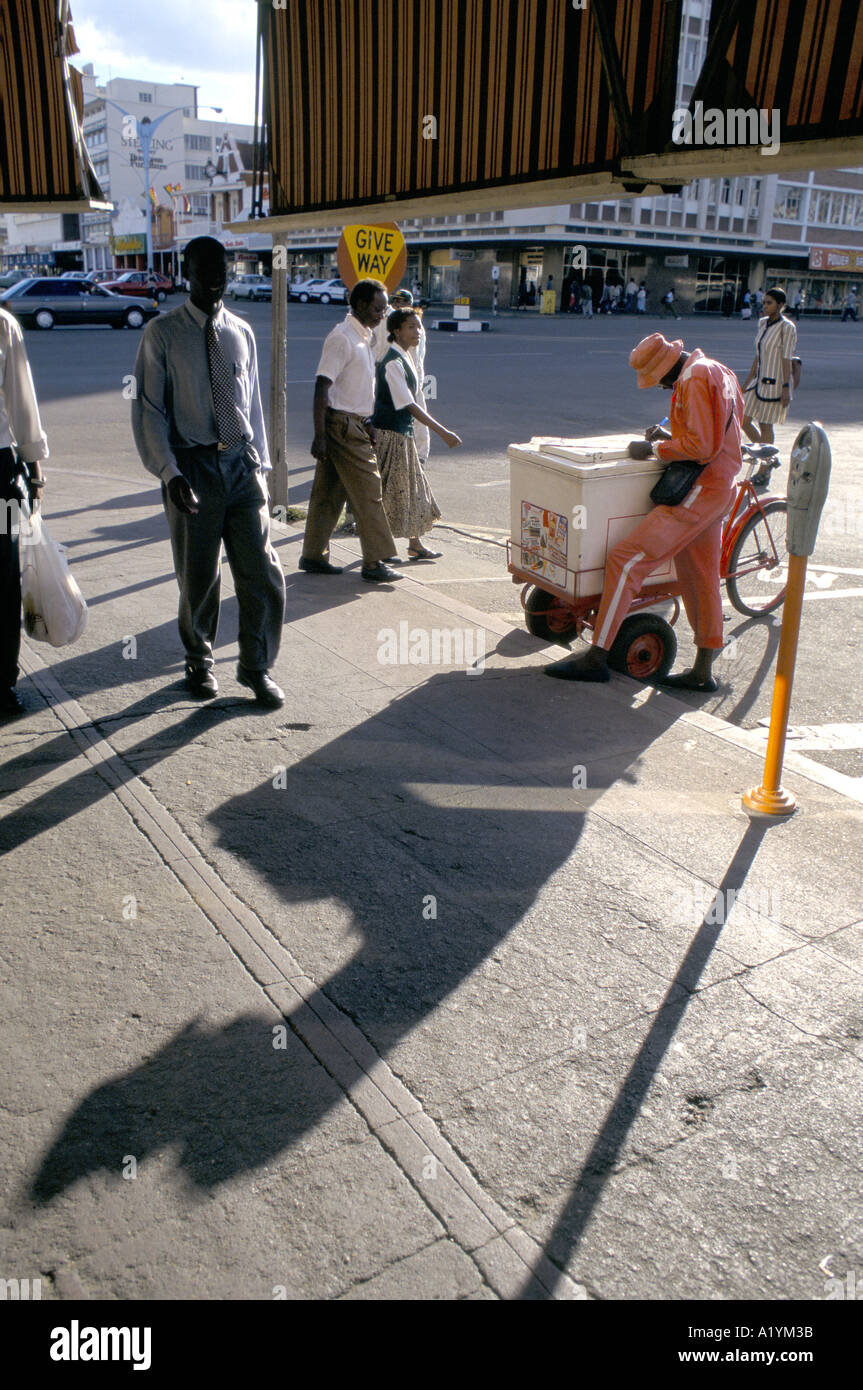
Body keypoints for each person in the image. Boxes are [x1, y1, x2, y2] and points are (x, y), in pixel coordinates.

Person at [131, 237, 285, 706]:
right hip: (192, 467)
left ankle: (256, 667)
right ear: (187, 273)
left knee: (260, 572)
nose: (216, 278)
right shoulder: (163, 333)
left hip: (240, 465)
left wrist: (261, 465)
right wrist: (170, 473)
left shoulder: (241, 331)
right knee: (199, 576)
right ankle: (199, 661)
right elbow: (150, 411)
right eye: (205, 270)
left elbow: (252, 404)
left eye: (223, 269)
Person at [545, 332, 743, 693]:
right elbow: (719, 432)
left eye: (659, 382)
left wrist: (657, 447)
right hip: (721, 487)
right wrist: (670, 435)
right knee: (700, 577)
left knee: (625, 559)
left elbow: (701, 446)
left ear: (668, 371)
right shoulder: (718, 370)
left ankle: (596, 657)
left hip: (699, 489)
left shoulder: (694, 378)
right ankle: (702, 669)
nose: (661, 389)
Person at [300, 278, 401, 584]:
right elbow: (322, 386)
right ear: (358, 305)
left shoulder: (363, 338)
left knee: (329, 492)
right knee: (370, 491)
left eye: (384, 309)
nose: (381, 314)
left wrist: (367, 422)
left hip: (352, 423)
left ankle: (313, 555)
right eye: (376, 308)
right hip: (342, 425)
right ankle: (375, 561)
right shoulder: (342, 338)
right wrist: (319, 435)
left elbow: (354, 389)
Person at [372, 308, 461, 561]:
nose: (417, 332)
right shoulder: (392, 363)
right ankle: (380, 551)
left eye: (419, 326)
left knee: (412, 490)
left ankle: (415, 544)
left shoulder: (404, 357)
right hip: (391, 436)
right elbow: (409, 404)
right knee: (392, 493)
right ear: (397, 330)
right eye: (411, 327)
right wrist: (443, 432)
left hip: (403, 434)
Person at [0, 306, 49, 714]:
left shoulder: (3, 325)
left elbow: (21, 401)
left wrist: (34, 472)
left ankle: (2, 681)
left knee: (2, 573)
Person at [741, 287, 797, 445]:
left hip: (774, 383)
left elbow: (787, 358)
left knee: (765, 425)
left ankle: (766, 464)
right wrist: (746, 383)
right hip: (757, 381)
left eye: (769, 303)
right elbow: (758, 355)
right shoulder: (762, 323)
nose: (765, 306)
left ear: (780, 305)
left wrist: (786, 387)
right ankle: (766, 455)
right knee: (743, 420)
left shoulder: (787, 327)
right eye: (764, 302)